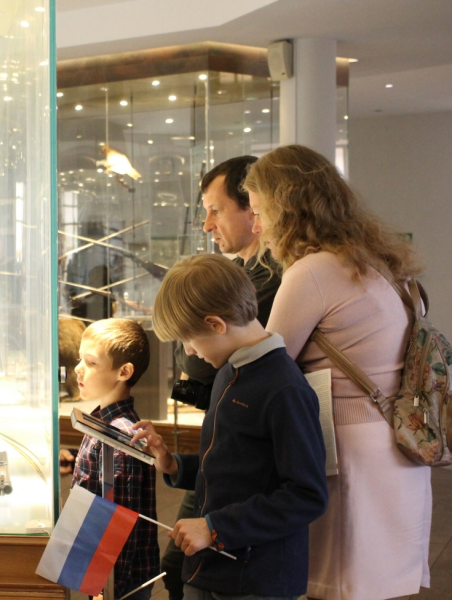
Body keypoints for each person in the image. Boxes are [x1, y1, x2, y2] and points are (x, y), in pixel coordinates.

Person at [244, 144, 432, 600]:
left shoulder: (312, 272)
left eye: (260, 212)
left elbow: (266, 365)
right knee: (380, 581)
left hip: (348, 452)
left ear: (287, 208)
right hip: (402, 441)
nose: (256, 226)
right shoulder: (383, 263)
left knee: (341, 583)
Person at [133, 254, 328, 600]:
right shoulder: (228, 371)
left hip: (256, 579)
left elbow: (306, 495)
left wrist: (214, 527)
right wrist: (174, 465)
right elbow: (233, 463)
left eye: (188, 340)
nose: (190, 352)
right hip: (211, 568)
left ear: (215, 324)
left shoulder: (284, 389)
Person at [163, 155, 281, 600]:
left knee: (185, 567)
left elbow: (194, 366)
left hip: (247, 514)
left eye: (216, 209)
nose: (208, 224)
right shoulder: (244, 273)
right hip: (226, 453)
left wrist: (216, 528)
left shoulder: (270, 277)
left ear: (253, 208)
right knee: (180, 566)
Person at [70, 318, 159, 600]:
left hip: (119, 583)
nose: (78, 369)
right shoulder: (101, 422)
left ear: (124, 371)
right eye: (80, 359)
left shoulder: (120, 438)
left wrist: (107, 588)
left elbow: (121, 523)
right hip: (105, 576)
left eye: (91, 362)